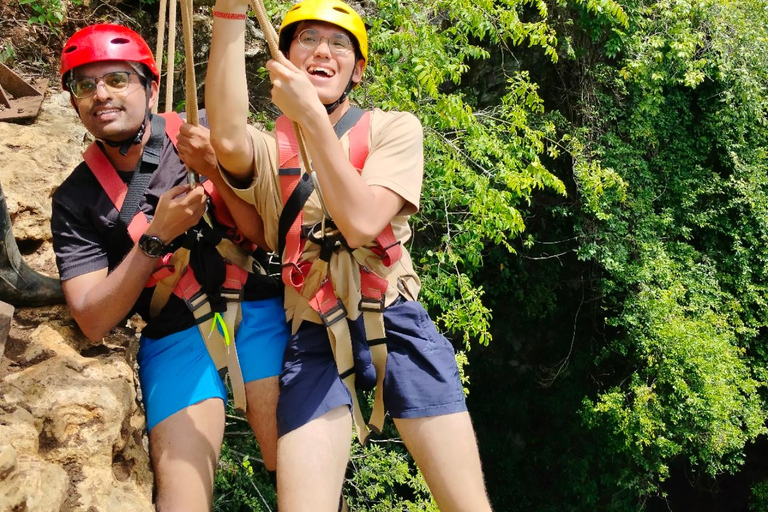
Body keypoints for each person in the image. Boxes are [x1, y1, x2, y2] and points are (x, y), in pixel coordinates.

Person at [204, 0, 493, 510]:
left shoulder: (395, 129)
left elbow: (361, 223)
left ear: (357, 70)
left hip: (393, 316)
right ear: (283, 59)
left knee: (466, 504)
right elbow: (227, 135)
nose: (322, 50)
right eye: (307, 40)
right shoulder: (271, 148)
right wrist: (227, 18)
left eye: (339, 43)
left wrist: (311, 116)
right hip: (314, 326)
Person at [51, 24, 288, 512]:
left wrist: (219, 169)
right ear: (73, 102)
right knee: (182, 501)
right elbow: (92, 319)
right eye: (85, 85)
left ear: (150, 87)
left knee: (300, 479)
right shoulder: (76, 199)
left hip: (256, 306)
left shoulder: (199, 137)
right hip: (175, 331)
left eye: (117, 79)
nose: (101, 95)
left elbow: (272, 235)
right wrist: (155, 239)